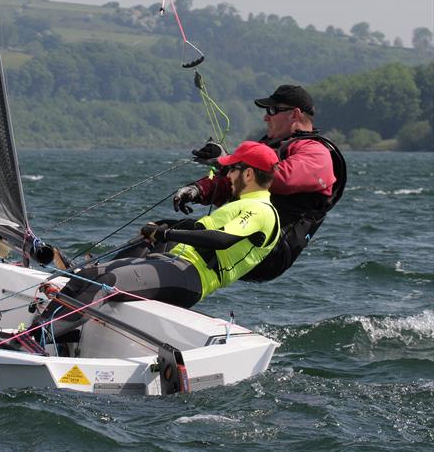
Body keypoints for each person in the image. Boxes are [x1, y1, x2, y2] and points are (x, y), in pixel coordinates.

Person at [36, 141, 281, 340]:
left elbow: (221, 239)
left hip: (191, 277)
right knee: (90, 273)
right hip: (173, 263)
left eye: (231, 169)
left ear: (248, 173)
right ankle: (41, 331)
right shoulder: (241, 204)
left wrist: (166, 234)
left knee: (107, 280)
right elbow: (198, 228)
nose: (226, 175)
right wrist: (164, 225)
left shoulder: (261, 210)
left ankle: (37, 339)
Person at [174, 85, 347, 282]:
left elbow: (280, 178)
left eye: (272, 111)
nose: (266, 117)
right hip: (240, 235)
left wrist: (227, 160)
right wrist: (197, 189)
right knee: (166, 231)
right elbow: (237, 181)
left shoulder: (317, 152)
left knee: (176, 238)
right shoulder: (270, 147)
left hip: (270, 249)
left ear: (295, 114)